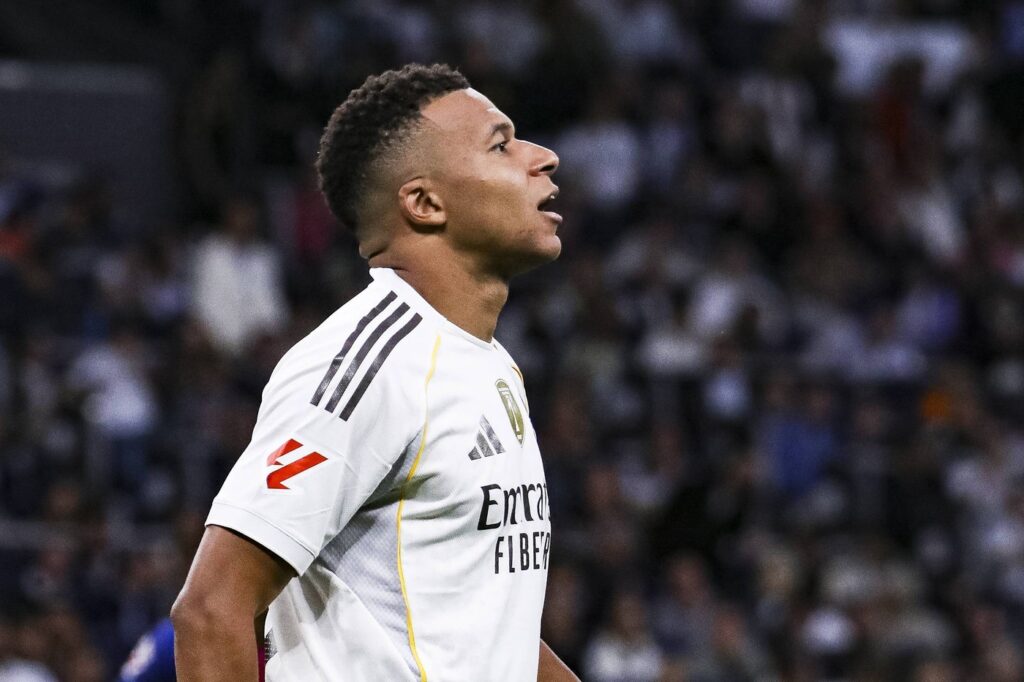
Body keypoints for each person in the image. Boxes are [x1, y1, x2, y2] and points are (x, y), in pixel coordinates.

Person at [171, 63, 579, 681]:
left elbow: (491, 630)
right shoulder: (368, 364)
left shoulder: (488, 362)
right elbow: (209, 612)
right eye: (501, 145)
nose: (543, 157)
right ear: (425, 203)